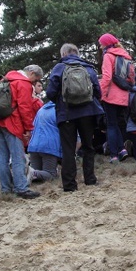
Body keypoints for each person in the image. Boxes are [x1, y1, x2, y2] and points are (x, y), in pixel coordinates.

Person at [46, 43, 104, 192]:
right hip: (88, 113)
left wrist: (60, 102)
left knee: (68, 149)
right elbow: (98, 91)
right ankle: (90, 179)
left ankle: (70, 185)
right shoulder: (88, 68)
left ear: (63, 54)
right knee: (88, 147)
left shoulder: (59, 68)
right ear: (77, 53)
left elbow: (50, 92)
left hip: (66, 113)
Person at [0, 65, 44, 199]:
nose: (34, 82)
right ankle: (21, 188)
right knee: (17, 156)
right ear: (31, 73)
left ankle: (6, 189)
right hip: (12, 123)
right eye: (36, 78)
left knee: (2, 158)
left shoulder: (6, 79)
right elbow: (25, 108)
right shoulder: (23, 83)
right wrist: (28, 128)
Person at [99, 33, 135, 164]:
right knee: (119, 125)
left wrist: (101, 94)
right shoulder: (125, 56)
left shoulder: (108, 56)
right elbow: (131, 77)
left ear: (106, 44)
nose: (99, 45)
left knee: (111, 125)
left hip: (111, 96)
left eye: (101, 43)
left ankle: (114, 155)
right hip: (124, 96)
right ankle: (122, 150)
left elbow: (107, 77)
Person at [26, 101, 62, 183]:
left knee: (36, 177)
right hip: (49, 146)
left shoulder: (41, 110)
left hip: (33, 145)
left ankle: (27, 173)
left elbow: (33, 126)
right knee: (51, 174)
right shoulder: (59, 110)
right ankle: (31, 172)